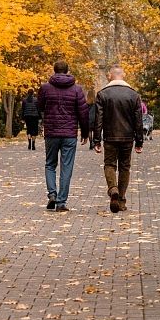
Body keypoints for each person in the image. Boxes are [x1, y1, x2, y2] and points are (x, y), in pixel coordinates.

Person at [37, 60, 90, 212]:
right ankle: (61, 202)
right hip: (69, 134)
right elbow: (83, 112)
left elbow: (39, 106)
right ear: (67, 71)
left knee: (50, 164)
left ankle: (52, 194)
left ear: (54, 70)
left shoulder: (45, 88)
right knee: (66, 167)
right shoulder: (76, 89)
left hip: (52, 133)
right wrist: (85, 133)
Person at [92, 66, 144, 213]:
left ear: (110, 76)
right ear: (124, 75)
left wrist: (97, 140)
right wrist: (139, 141)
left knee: (109, 164)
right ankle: (121, 199)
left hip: (109, 137)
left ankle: (112, 188)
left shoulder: (102, 94)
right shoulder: (134, 95)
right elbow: (138, 120)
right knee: (124, 167)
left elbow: (98, 119)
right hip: (128, 138)